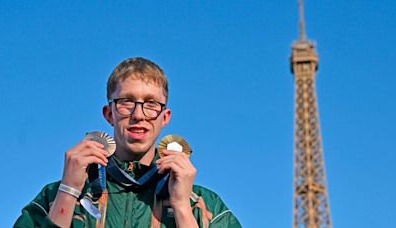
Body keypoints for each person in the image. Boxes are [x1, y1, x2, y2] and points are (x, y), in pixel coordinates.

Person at [14, 57, 241, 228]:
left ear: (165, 117)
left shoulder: (204, 205)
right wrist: (68, 191)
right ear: (109, 113)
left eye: (151, 103)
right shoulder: (53, 196)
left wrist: (181, 207)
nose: (138, 115)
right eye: (126, 102)